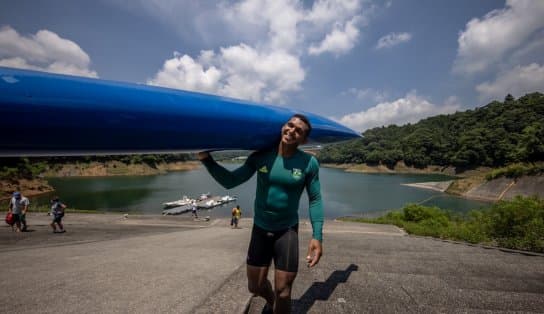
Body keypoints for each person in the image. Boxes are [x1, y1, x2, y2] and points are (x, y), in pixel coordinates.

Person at [198, 114, 323, 314]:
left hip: (287, 230)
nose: (291, 130)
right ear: (283, 126)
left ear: (304, 139)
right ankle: (271, 301)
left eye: (298, 130)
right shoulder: (261, 156)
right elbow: (230, 181)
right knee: (255, 287)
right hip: (261, 228)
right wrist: (207, 159)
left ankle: (278, 303)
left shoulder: (309, 163)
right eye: (290, 125)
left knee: (284, 291)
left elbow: (315, 199)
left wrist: (317, 236)